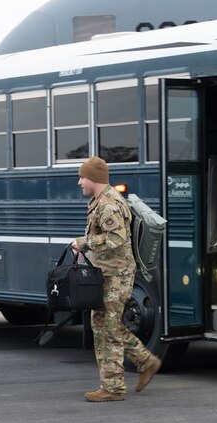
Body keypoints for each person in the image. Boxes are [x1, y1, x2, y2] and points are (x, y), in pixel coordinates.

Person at [71, 157, 161, 402]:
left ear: (93, 179)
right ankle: (145, 361)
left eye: (82, 177)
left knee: (108, 328)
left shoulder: (109, 204)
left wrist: (84, 242)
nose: (79, 182)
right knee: (103, 325)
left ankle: (113, 388)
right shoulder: (100, 201)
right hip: (107, 272)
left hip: (116, 275)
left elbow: (117, 239)